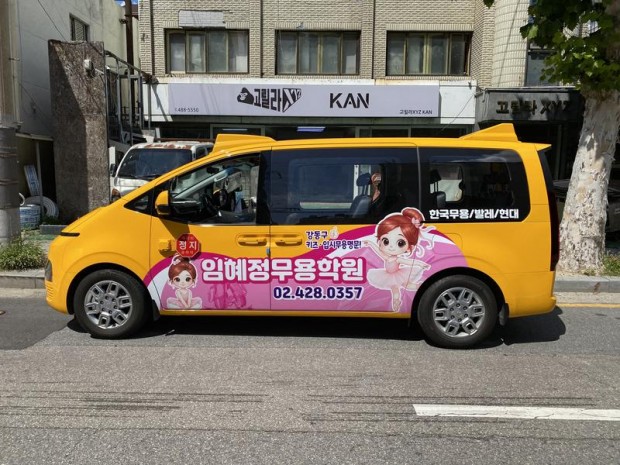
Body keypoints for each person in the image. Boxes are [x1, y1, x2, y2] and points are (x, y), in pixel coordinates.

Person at [364, 207, 433, 312]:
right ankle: (396, 302)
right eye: (386, 241)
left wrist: (420, 264)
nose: (391, 247)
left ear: (409, 246)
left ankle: (418, 286)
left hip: (398, 275)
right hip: (389, 276)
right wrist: (370, 243)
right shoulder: (387, 257)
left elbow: (410, 262)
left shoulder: (397, 259)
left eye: (400, 243)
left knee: (405, 285)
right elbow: (378, 250)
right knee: (396, 289)